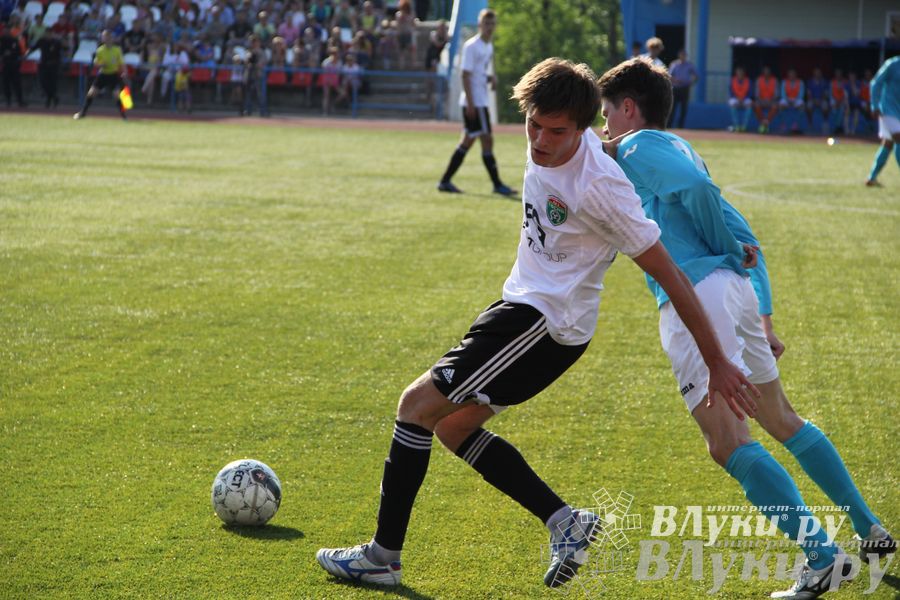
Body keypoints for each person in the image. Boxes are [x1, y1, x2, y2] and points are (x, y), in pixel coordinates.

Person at [316, 56, 759, 591]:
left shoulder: (601, 189)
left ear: (578, 128)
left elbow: (671, 274)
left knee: (416, 408)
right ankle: (565, 523)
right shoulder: (574, 137)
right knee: (454, 427)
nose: (541, 141)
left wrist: (716, 361)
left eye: (557, 132)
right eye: (534, 125)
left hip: (545, 324)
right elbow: (604, 142)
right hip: (519, 308)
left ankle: (383, 556)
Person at [597, 56, 896, 600]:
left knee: (728, 442)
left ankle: (823, 558)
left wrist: (722, 249)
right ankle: (869, 528)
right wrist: (762, 310)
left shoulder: (641, 147)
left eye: (607, 114)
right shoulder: (679, 146)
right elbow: (742, 232)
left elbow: (707, 207)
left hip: (696, 296)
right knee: (781, 418)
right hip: (732, 291)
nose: (604, 126)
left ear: (629, 108)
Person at [436, 9, 515, 196]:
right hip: (476, 104)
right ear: (480, 25)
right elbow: (465, 75)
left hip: (481, 101)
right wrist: (470, 104)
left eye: (492, 23)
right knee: (485, 140)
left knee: (468, 141)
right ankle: (497, 185)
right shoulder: (472, 46)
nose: (489, 27)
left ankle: (445, 181)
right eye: (486, 24)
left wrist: (490, 78)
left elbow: (478, 73)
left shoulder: (488, 46)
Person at [74, 30, 129, 120]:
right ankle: (82, 113)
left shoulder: (117, 50)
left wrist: (124, 72)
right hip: (103, 74)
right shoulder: (100, 50)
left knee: (116, 94)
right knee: (91, 93)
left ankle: (123, 116)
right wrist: (101, 65)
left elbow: (122, 63)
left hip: (113, 74)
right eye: (104, 37)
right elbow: (96, 63)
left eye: (108, 37)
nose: (106, 39)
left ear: (111, 38)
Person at [865, 55, 900, 187]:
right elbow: (876, 83)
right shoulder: (893, 64)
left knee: (888, 143)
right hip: (888, 110)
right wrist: (874, 105)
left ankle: (872, 177)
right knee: (898, 138)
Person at [30, 28, 64, 108]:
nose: (48, 35)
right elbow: (33, 48)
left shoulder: (56, 42)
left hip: (53, 65)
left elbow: (63, 50)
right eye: (47, 33)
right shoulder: (41, 41)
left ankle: (49, 100)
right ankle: (54, 97)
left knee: (53, 84)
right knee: (43, 82)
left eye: (50, 33)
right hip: (44, 65)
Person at [667, 48, 697, 129]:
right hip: (676, 88)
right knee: (673, 108)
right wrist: (676, 80)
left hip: (685, 88)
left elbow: (695, 75)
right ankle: (669, 125)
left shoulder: (689, 65)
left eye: (684, 55)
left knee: (684, 109)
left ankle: (680, 126)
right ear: (679, 55)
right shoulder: (674, 64)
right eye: (681, 54)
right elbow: (669, 75)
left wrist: (690, 82)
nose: (683, 56)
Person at [0, 22, 26, 107]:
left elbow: (19, 52)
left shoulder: (14, 40)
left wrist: (11, 53)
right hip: (5, 64)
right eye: (5, 29)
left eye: (8, 29)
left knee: (17, 83)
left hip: (14, 64)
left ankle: (20, 100)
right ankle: (8, 100)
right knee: (5, 83)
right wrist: (4, 54)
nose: (6, 31)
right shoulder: (1, 40)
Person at [753, 65, 779, 134]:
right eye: (765, 71)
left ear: (770, 72)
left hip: (771, 100)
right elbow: (756, 93)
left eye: (768, 71)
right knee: (756, 105)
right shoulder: (759, 80)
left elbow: (776, 94)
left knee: (775, 106)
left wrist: (771, 99)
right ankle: (763, 123)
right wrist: (761, 99)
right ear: (763, 72)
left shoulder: (774, 80)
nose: (766, 73)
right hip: (761, 100)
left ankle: (765, 123)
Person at [778, 68, 805, 133]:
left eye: (793, 75)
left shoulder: (800, 82)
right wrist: (788, 100)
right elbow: (782, 93)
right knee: (780, 104)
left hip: (797, 99)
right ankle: (783, 123)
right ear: (788, 75)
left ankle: (796, 124)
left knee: (802, 105)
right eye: (790, 75)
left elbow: (801, 94)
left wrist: (795, 100)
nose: (791, 76)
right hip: (786, 99)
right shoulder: (784, 82)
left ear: (795, 75)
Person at [728, 65, 752, 132]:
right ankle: (737, 125)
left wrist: (743, 98)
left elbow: (750, 93)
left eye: (741, 72)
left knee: (749, 105)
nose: (740, 74)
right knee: (732, 104)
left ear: (744, 73)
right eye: (738, 72)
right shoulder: (733, 80)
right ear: (736, 73)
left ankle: (744, 126)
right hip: (735, 98)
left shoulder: (748, 81)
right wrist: (737, 98)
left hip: (745, 98)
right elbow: (731, 92)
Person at [806, 67, 830, 135]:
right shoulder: (810, 82)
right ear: (814, 74)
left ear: (821, 74)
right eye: (816, 73)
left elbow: (825, 94)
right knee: (808, 105)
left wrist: (820, 100)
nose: (817, 74)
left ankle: (825, 123)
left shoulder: (824, 82)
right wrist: (814, 100)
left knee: (825, 106)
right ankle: (810, 124)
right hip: (813, 100)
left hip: (822, 100)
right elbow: (808, 94)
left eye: (818, 73)